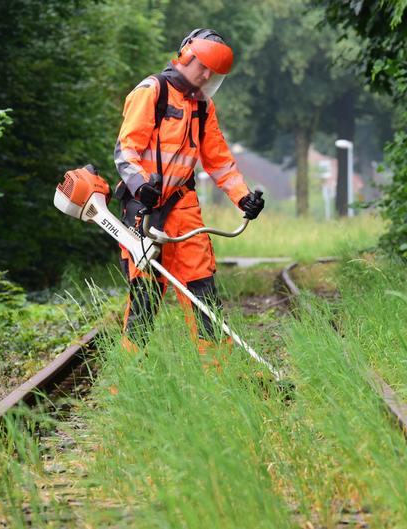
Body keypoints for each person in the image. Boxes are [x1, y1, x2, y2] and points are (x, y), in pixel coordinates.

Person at [113, 28, 264, 362]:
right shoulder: (152, 92)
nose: (207, 75)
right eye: (204, 66)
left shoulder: (203, 108)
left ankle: (217, 375)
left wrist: (243, 197)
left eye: (213, 71)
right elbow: (125, 152)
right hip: (144, 209)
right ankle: (126, 378)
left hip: (184, 207)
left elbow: (220, 162)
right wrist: (141, 185)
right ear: (186, 56)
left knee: (203, 293)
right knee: (145, 298)